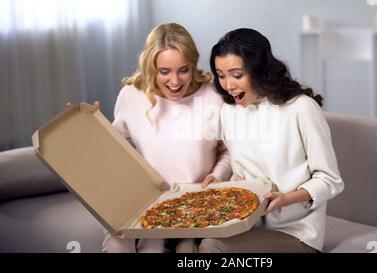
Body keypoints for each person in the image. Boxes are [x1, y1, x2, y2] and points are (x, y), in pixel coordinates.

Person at [199, 28, 345, 253]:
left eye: (237, 75)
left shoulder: (301, 108)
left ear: (258, 70)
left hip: (296, 233)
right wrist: (223, 187)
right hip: (246, 225)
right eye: (221, 75)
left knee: (212, 248)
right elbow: (242, 173)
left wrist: (286, 198)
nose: (228, 85)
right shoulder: (230, 112)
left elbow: (330, 179)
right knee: (187, 244)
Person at [101, 23, 231, 253]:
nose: (175, 81)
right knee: (116, 248)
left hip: (192, 207)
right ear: (151, 67)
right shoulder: (131, 96)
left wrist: (216, 176)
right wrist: (88, 125)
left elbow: (227, 151)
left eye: (183, 70)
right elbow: (114, 153)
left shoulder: (212, 98)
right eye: (164, 71)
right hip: (139, 204)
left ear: (193, 66)